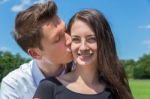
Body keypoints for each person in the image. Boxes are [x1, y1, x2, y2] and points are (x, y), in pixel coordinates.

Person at [33, 9, 133, 99]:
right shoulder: (48, 88)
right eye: (76, 39)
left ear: (104, 42)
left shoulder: (117, 89)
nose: (83, 47)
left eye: (91, 39)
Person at [0, 1, 73, 99]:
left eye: (66, 30)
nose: (70, 39)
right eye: (58, 39)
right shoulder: (14, 86)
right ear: (35, 53)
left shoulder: (86, 68)